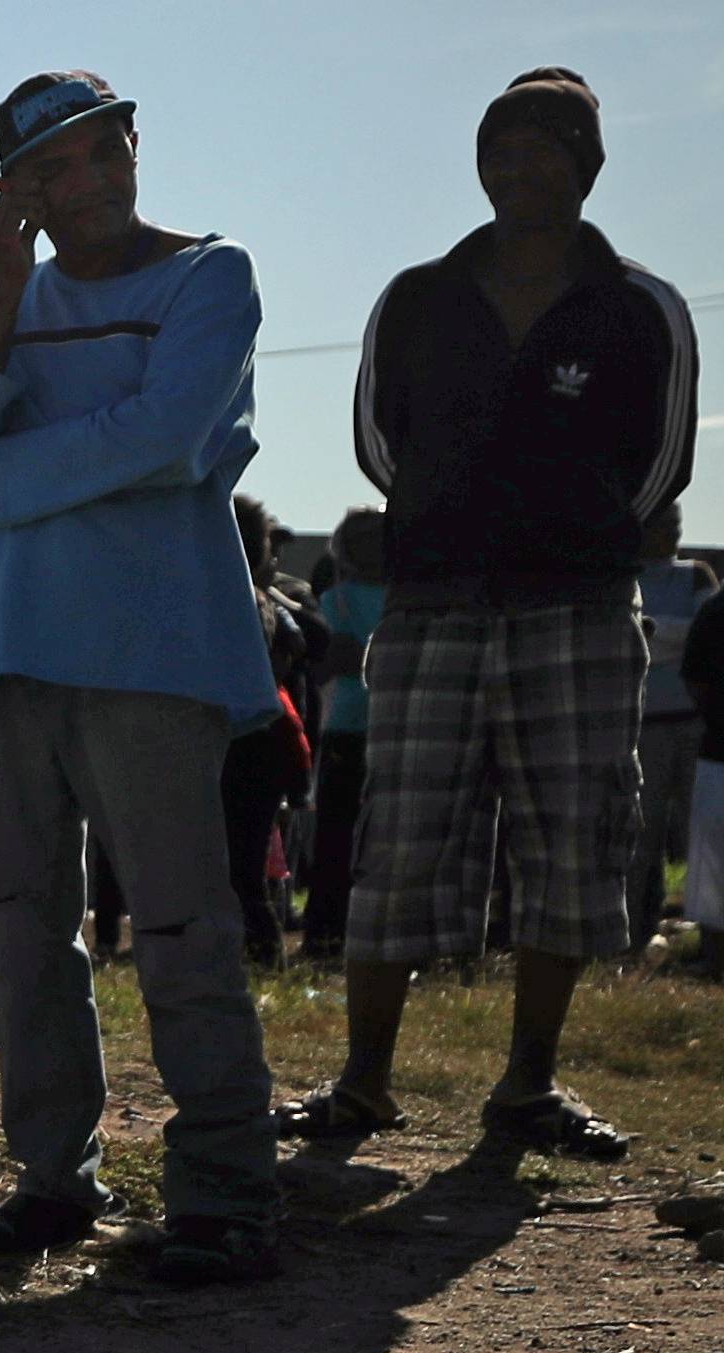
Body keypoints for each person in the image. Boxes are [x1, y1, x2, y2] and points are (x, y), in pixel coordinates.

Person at [0, 67, 281, 1284]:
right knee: (21, 926)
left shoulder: (207, 276)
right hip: (4, 643)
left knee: (179, 919)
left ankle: (225, 1187)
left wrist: (4, 480)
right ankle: (52, 1175)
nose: (90, 179)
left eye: (102, 148)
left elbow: (171, 435)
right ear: (14, 191)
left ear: (134, 144)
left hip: (149, 646)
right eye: (52, 167)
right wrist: (9, 298)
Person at [283, 68, 697, 1156]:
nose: (518, 170)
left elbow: (661, 463)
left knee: (572, 842)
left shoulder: (639, 305)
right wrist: (455, 518)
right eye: (500, 151)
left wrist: (578, 529)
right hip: (433, 608)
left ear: (586, 166)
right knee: (401, 840)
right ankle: (363, 1082)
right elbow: (382, 445)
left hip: (579, 609)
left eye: (543, 150)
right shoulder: (419, 295)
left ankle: (528, 1084)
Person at [223, 494, 317, 972]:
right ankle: (263, 956)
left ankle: (259, 955)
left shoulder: (230, 596)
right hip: (263, 742)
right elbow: (304, 644)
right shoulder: (266, 601)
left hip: (236, 744)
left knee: (235, 869)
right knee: (245, 866)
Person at [301, 505, 387, 958]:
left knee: (335, 838)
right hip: (380, 730)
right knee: (368, 839)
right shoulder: (399, 601)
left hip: (346, 728)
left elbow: (329, 662)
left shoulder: (338, 602)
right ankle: (350, 930)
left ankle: (325, 930)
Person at [630, 499, 715, 951]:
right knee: (644, 833)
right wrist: (673, 636)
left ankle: (705, 933)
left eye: (677, 524)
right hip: (646, 725)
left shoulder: (696, 574)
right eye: (665, 524)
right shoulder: (625, 575)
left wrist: (652, 633)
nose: (674, 532)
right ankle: (638, 929)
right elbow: (636, 635)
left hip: (693, 725)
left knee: (697, 830)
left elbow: (707, 638)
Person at [678, 579, 724, 980]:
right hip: (719, 754)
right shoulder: (715, 613)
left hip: (718, 750)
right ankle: (714, 958)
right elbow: (695, 678)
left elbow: (695, 681)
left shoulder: (713, 611)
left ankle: (714, 957)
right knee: (713, 868)